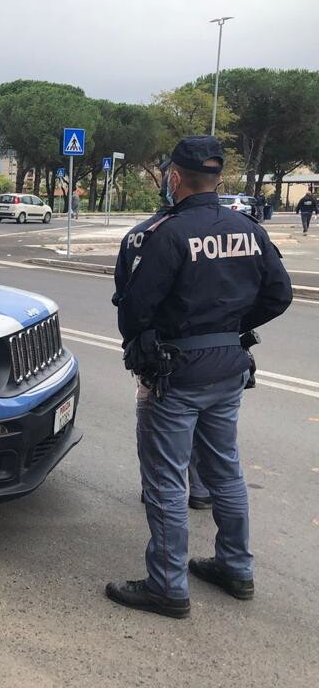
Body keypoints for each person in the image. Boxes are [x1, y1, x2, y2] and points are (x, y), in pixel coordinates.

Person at [108, 136, 293, 619]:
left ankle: (167, 586)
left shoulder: (167, 233)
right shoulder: (247, 227)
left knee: (167, 481)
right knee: (225, 470)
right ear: (219, 177)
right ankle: (236, 568)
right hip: (228, 366)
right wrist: (229, 326)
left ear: (174, 176)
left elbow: (135, 311)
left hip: (176, 375)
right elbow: (279, 295)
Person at [115, 187, 213, 511]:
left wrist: (135, 343)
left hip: (156, 352)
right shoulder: (202, 235)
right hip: (208, 348)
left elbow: (124, 298)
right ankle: (199, 489)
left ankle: (153, 485)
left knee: (153, 424)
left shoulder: (135, 236)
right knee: (201, 422)